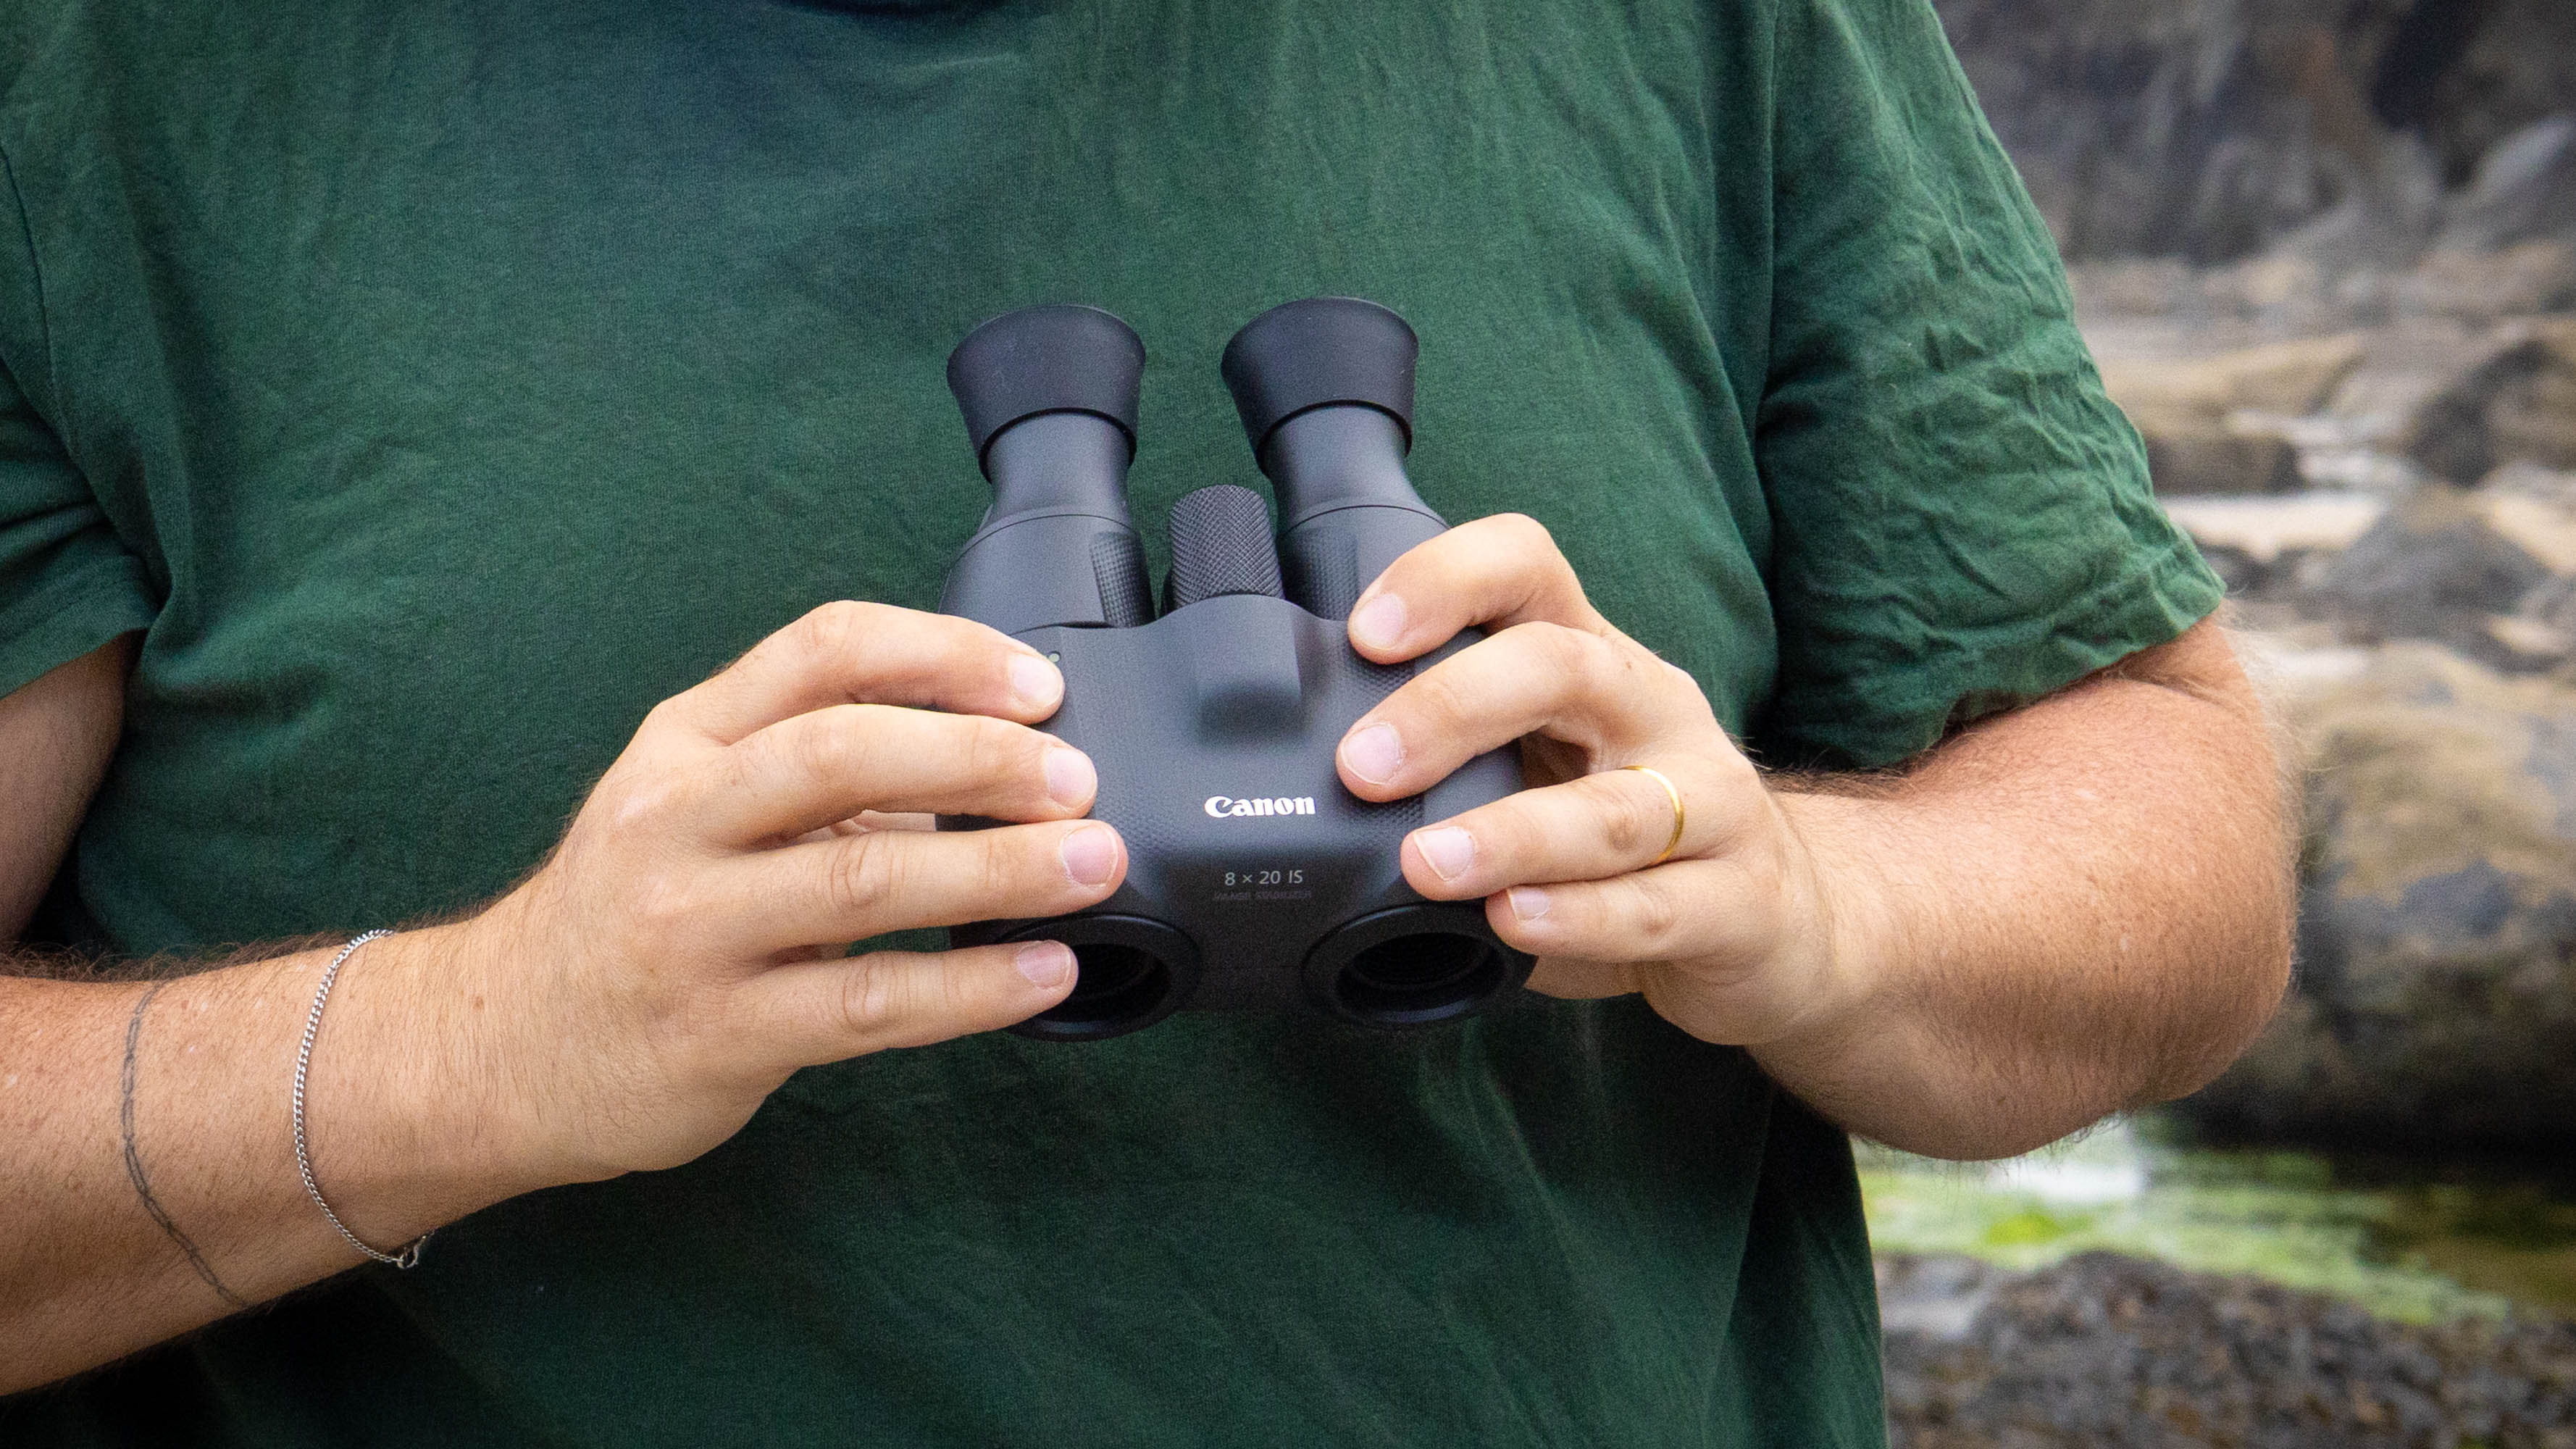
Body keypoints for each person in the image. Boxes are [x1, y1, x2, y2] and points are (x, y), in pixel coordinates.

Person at [0, 0, 2292, 1442]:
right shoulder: (111, 80)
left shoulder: (1706, 34)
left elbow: (2180, 856)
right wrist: (472, 1046)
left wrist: (1815, 897)